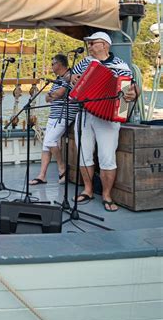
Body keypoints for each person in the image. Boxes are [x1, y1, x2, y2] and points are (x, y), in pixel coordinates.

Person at [71, 31, 138, 212]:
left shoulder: (120, 66)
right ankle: (88, 189)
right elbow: (69, 79)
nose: (90, 47)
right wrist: (71, 78)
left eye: (93, 43)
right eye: (89, 43)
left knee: (107, 158)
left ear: (105, 45)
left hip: (108, 117)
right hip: (84, 113)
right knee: (83, 154)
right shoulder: (85, 62)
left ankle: (107, 195)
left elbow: (129, 90)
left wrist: (133, 93)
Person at [30, 54, 78, 185]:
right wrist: (54, 96)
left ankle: (62, 168)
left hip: (64, 114)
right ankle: (42, 175)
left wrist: (54, 96)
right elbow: (48, 98)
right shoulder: (58, 79)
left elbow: (59, 94)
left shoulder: (70, 76)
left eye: (53, 63)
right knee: (46, 145)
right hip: (53, 115)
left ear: (60, 64)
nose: (51, 66)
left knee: (50, 141)